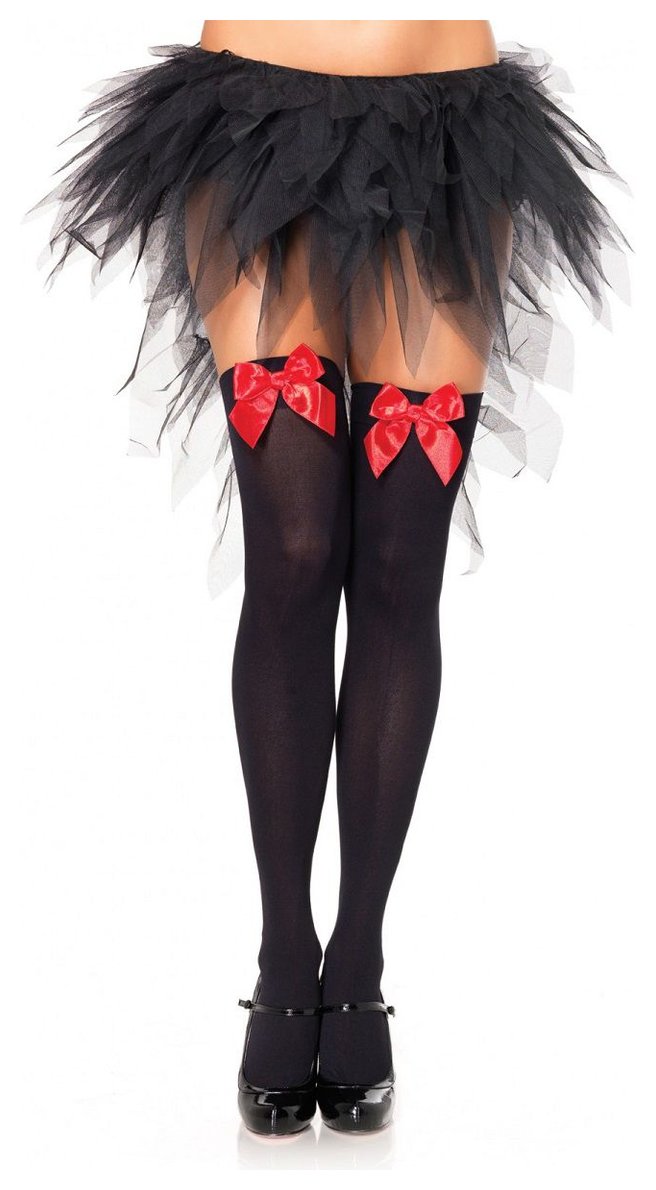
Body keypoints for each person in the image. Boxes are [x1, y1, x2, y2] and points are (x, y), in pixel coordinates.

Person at [29, 19, 630, 1136]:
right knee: (296, 551)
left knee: (401, 562)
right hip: (252, 116)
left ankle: (356, 960)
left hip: (448, 125)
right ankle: (282, 951)